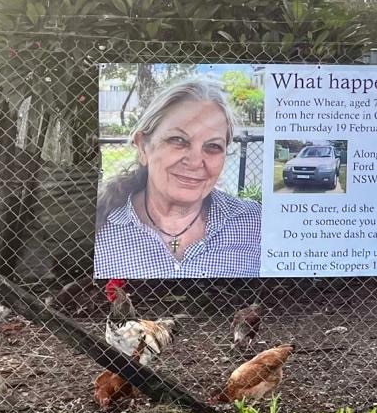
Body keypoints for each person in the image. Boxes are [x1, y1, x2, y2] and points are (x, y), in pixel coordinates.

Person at [94, 78, 260, 278]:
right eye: (178, 140)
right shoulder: (99, 228)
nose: (195, 161)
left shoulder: (256, 225)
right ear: (143, 147)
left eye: (213, 146)